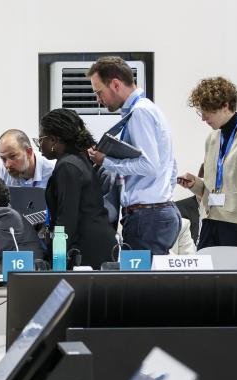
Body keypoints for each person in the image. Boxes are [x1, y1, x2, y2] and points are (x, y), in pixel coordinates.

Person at [86, 56, 180, 255]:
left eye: (98, 92)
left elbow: (149, 166)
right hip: (157, 212)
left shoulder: (140, 113)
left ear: (116, 84)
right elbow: (171, 166)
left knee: (141, 285)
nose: (98, 99)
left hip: (147, 216)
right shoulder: (151, 109)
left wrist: (106, 161)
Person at [178, 77, 237, 267]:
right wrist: (196, 184)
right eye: (201, 111)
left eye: (207, 111)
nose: (203, 118)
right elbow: (217, 188)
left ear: (225, 105)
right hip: (210, 224)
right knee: (207, 289)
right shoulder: (213, 138)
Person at [36, 108, 117, 269]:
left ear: (53, 140)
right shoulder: (79, 160)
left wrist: (56, 261)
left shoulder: (68, 166)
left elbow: (67, 218)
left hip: (86, 248)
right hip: (96, 242)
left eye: (41, 140)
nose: (40, 146)